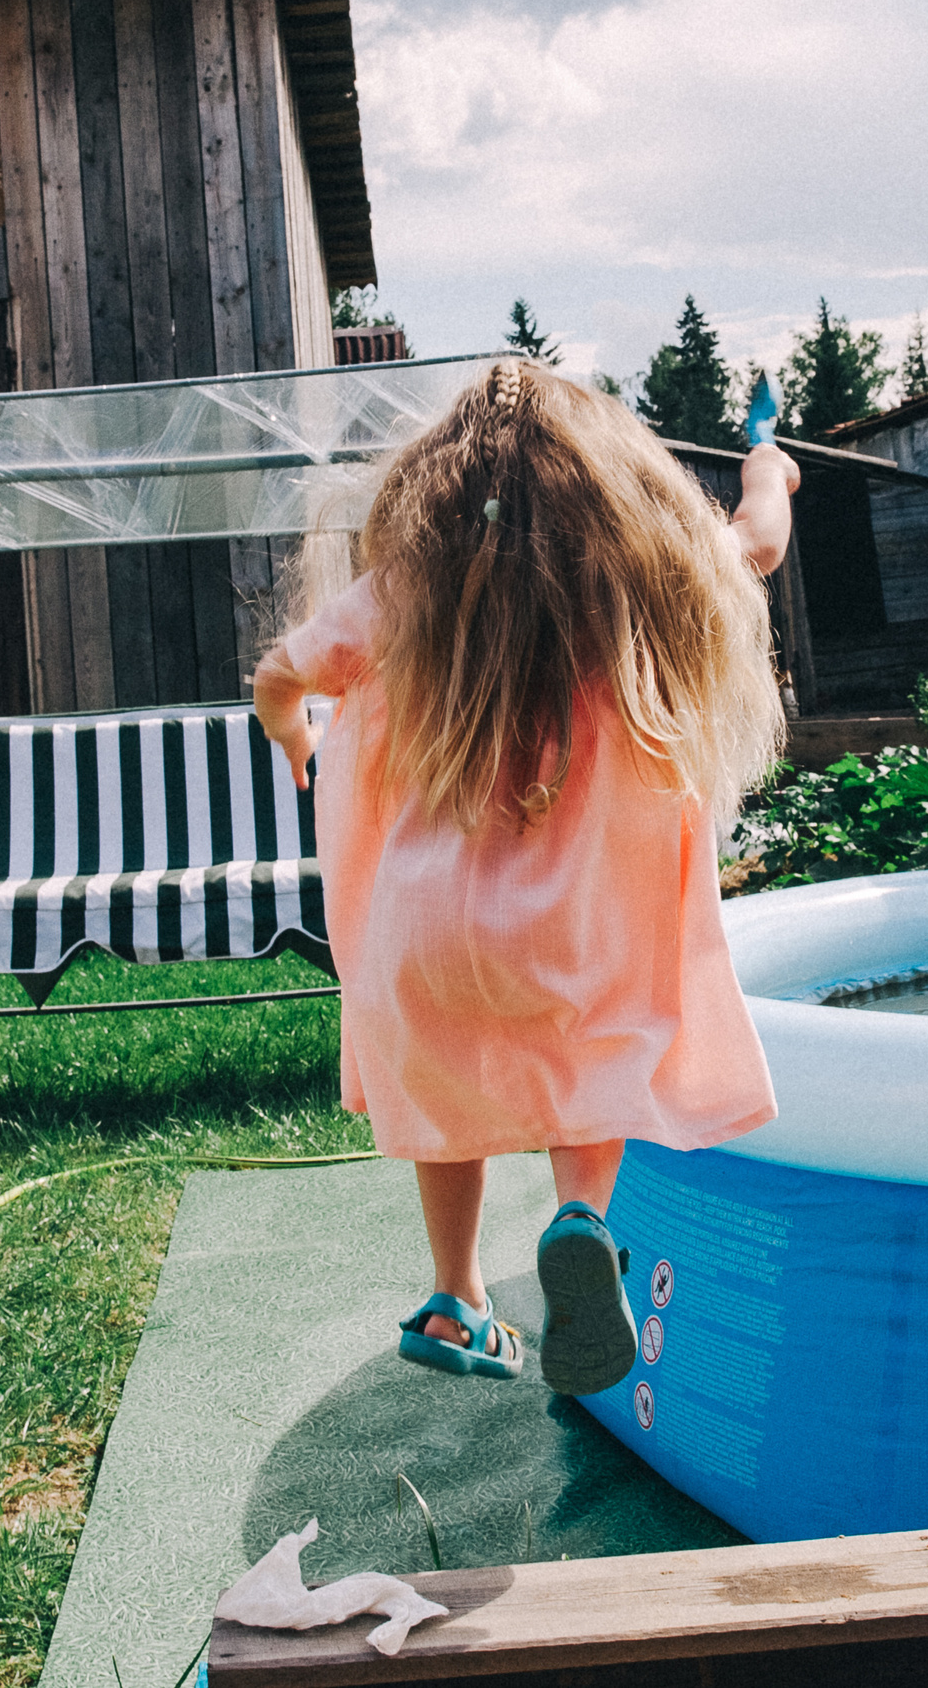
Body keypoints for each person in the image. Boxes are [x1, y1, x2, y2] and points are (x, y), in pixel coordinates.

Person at [251, 358, 794, 1395]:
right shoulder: (637, 570)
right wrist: (768, 463)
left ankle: (455, 1293)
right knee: (597, 1056)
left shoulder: (407, 589)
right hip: (576, 924)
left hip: (426, 930)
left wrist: (296, 741)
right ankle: (582, 1213)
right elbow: (756, 540)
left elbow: (280, 678)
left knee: (442, 1080)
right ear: (611, 482)